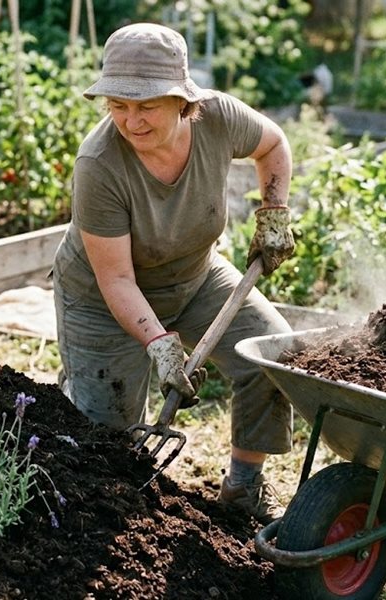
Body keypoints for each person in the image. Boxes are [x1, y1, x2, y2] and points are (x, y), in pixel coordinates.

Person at [51, 22, 296, 525]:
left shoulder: (219, 117)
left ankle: (244, 486)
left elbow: (273, 146)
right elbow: (116, 279)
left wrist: (274, 214)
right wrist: (161, 345)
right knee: (107, 442)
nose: (130, 121)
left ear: (183, 101)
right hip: (102, 299)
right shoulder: (98, 164)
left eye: (146, 106)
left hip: (196, 276)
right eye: (118, 105)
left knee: (272, 356)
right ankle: (77, 387)